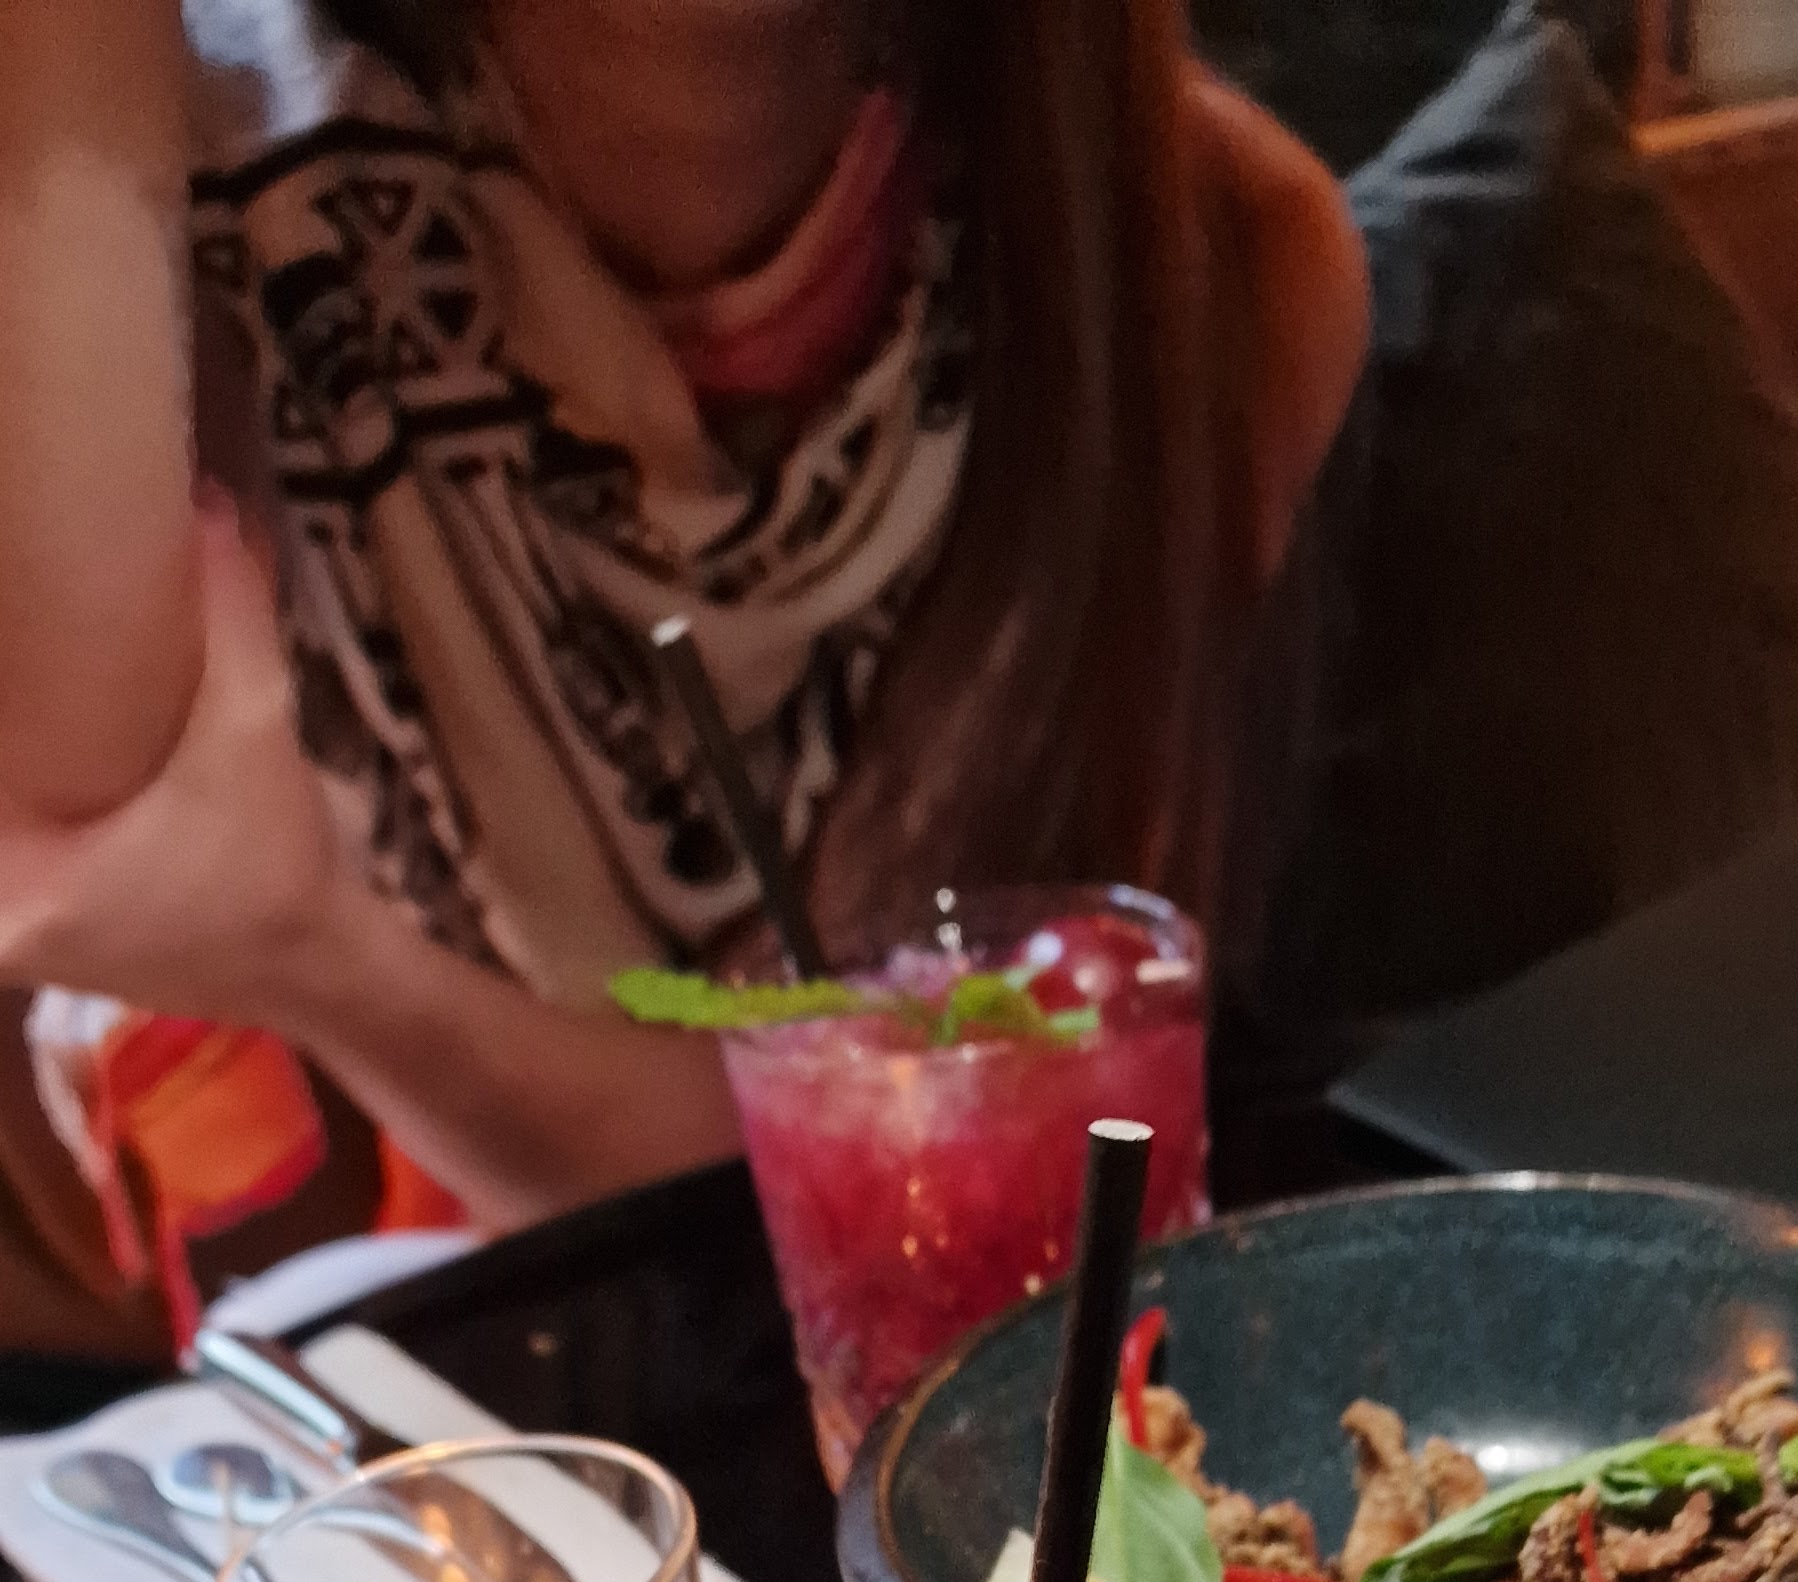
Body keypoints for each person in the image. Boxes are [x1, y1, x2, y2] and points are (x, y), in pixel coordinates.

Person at [0, 0, 1366, 1250]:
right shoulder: (172, 206)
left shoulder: (1209, 271)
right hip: (348, 1334)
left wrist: (321, 959)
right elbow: (69, 761)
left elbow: (918, 1154)